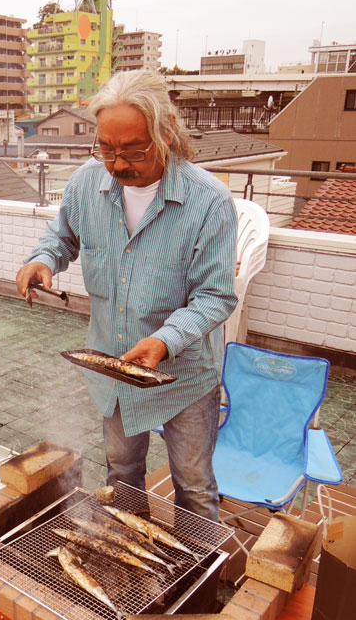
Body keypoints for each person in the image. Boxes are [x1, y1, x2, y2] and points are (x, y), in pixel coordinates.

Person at [16, 70, 238, 520]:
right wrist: (43, 260)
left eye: (134, 150)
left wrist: (165, 340)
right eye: (106, 149)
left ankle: (201, 565)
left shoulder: (209, 202)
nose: (117, 165)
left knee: (194, 487)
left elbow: (215, 296)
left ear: (167, 132)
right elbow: (62, 236)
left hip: (184, 375)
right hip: (114, 364)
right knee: (121, 473)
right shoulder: (86, 184)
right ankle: (128, 550)